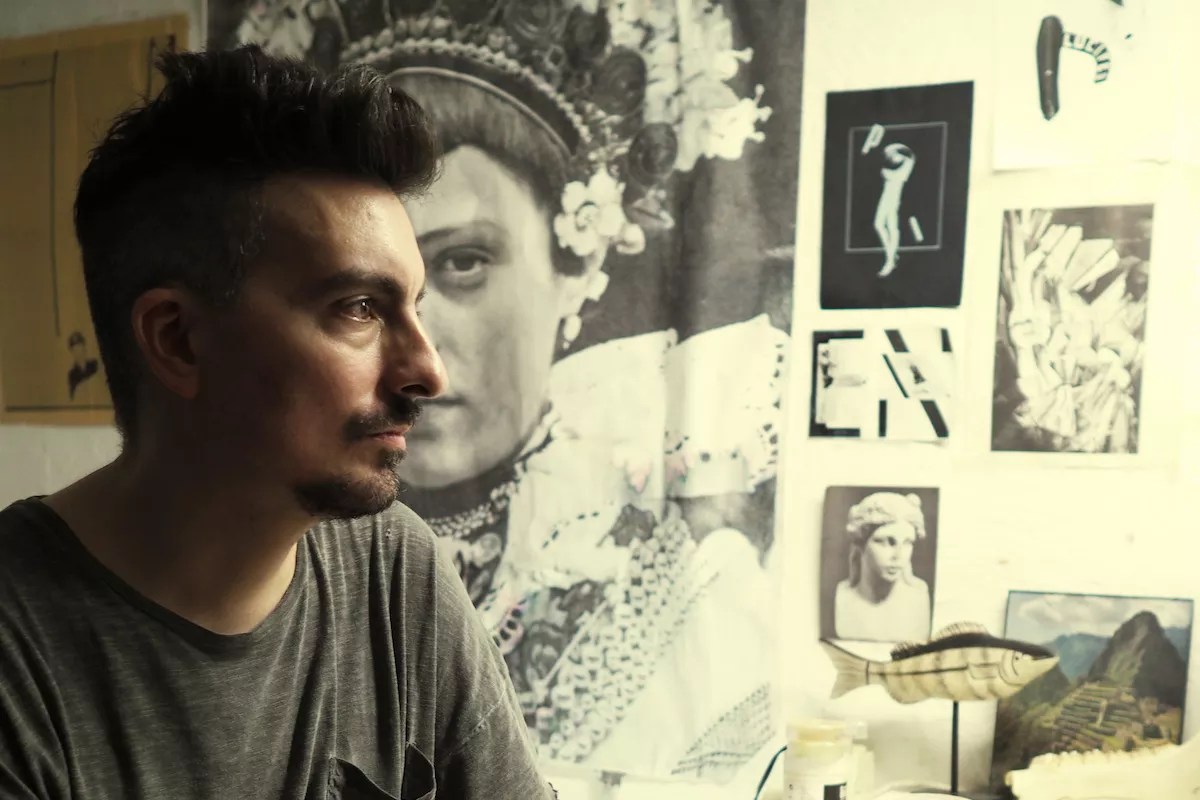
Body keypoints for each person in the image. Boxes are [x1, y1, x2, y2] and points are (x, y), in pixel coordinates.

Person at [234, 0, 788, 781]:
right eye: (358, 302)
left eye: (462, 264)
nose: (422, 358)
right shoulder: (298, 553)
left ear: (575, 267)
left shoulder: (695, 594)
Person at [0, 46, 555, 800]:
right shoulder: (20, 651)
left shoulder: (394, 571)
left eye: (414, 307)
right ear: (179, 340)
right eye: (360, 308)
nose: (428, 371)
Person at [834, 491, 932, 643]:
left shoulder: (918, 597)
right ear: (861, 544)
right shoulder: (842, 597)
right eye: (886, 542)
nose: (898, 555)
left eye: (907, 543)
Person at [66, 330, 100, 399]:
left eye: (79, 347)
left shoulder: (94, 364)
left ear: (84, 348)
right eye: (75, 349)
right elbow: (73, 397)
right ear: (72, 352)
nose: (78, 352)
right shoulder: (72, 375)